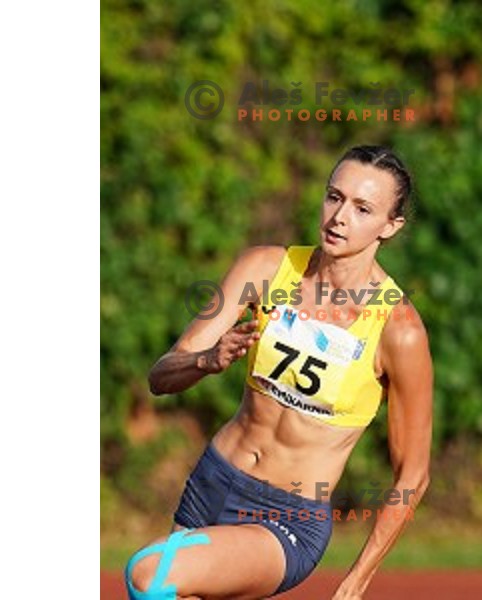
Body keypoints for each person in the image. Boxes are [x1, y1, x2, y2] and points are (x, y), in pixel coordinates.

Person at [124, 145, 433, 600]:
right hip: (213, 482)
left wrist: (355, 583)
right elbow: (161, 376)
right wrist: (203, 361)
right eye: (334, 197)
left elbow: (414, 474)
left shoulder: (398, 329)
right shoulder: (265, 269)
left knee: (152, 574)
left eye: (362, 208)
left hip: (287, 518)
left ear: (390, 225)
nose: (339, 216)